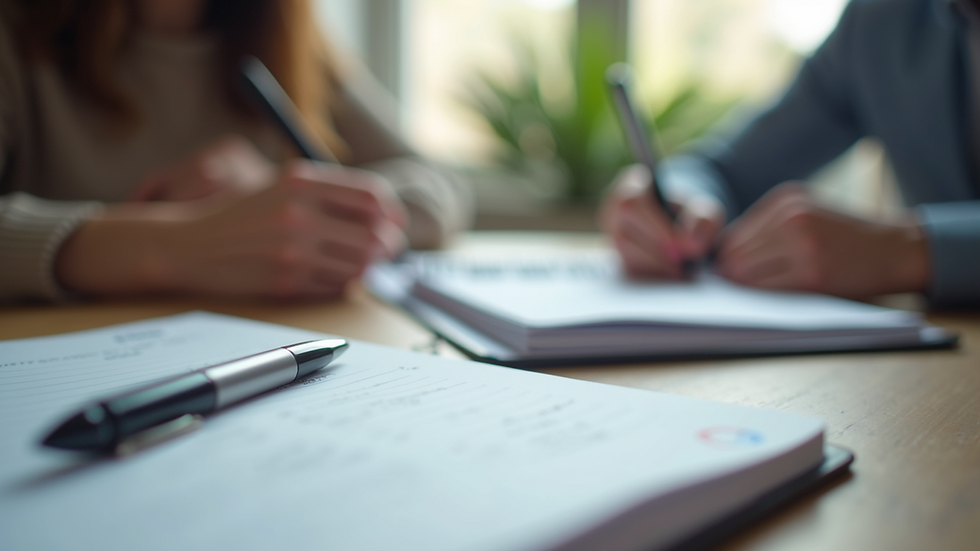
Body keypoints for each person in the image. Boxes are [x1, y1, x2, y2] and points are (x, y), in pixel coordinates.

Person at [0, 0, 471, 302]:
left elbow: (440, 184)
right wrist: (175, 243)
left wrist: (287, 201)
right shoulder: (16, 36)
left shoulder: (292, 45)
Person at [601, 0, 980, 307]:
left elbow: (911, 251)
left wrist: (913, 251)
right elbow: (722, 170)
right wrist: (679, 198)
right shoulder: (880, 23)